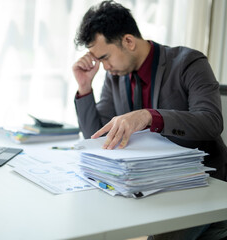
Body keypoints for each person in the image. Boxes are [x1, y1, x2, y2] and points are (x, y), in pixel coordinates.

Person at [72, 1, 227, 239]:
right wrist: (84, 87)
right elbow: (99, 136)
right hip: (150, 184)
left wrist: (149, 116)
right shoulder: (116, 76)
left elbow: (212, 121)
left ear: (129, 41)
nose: (104, 67)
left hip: (203, 185)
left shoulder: (189, 63)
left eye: (105, 57)